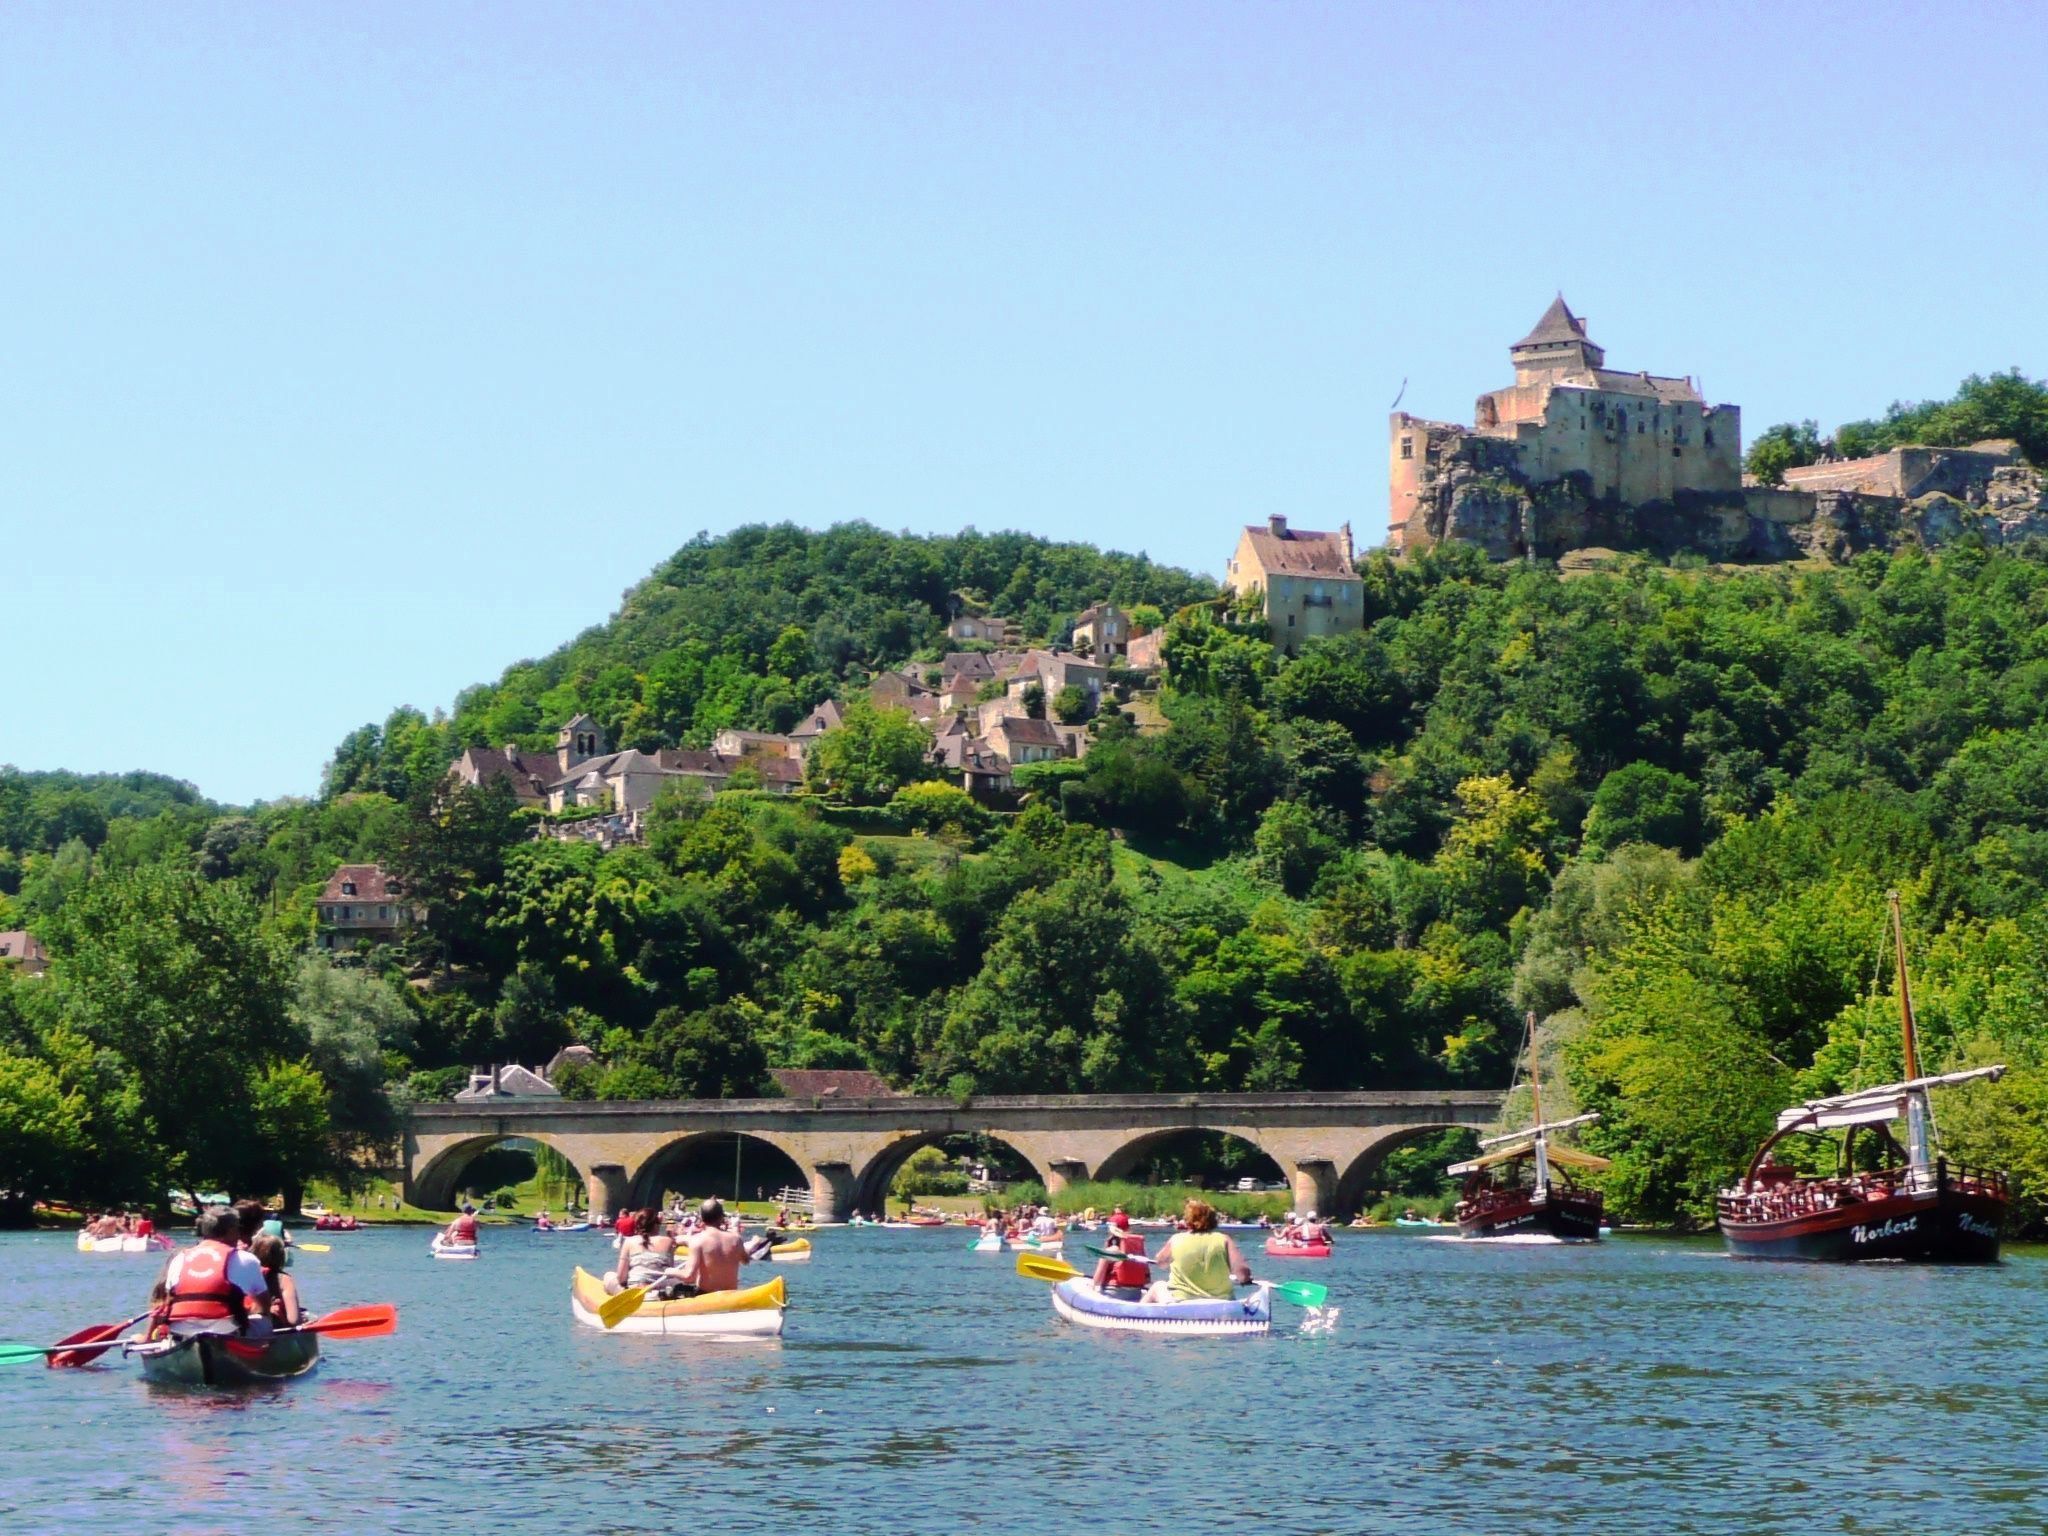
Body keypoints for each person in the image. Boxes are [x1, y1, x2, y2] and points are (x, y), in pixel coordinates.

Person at [155, 1208, 271, 1338]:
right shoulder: (246, 1259)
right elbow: (264, 1305)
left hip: (181, 1329)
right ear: (231, 1230)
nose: (239, 1234)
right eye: (238, 1229)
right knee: (265, 1321)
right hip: (226, 1330)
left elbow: (168, 1298)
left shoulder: (179, 1258)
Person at [1144, 1200, 1251, 1304]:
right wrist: (1245, 1280)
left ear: (1188, 1219)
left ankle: (1135, 1315)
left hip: (1181, 1301)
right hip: (1221, 1301)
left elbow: (1161, 1263)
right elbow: (1243, 1273)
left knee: (1158, 1285)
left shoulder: (1176, 1239)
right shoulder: (1224, 1239)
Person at [678, 1198, 750, 1295]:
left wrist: (670, 1271)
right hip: (731, 1294)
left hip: (705, 1295)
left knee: (676, 1288)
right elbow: (746, 1261)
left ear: (701, 1218)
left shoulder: (697, 1240)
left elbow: (688, 1276)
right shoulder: (736, 1239)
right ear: (721, 1217)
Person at [605, 1209, 677, 1296]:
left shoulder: (629, 1242)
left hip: (636, 1290)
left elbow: (621, 1278)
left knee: (608, 1276)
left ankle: (624, 1294)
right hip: (661, 1289)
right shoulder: (668, 1241)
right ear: (655, 1225)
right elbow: (670, 1272)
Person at [251, 1234, 303, 1326]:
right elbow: (294, 1320)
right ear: (281, 1256)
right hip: (274, 1330)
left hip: (248, 1328)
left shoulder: (245, 1275)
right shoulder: (284, 1280)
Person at [1090, 1226, 1150, 1297]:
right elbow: (1147, 1280)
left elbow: (1097, 1281)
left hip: (1114, 1292)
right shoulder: (1139, 1253)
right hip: (1136, 1293)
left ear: (1113, 1237)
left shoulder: (1111, 1251)